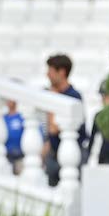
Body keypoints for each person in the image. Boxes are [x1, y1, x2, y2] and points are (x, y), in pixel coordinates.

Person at [40, 54, 88, 187]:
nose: (47, 75)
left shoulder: (74, 96)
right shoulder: (54, 94)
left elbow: (54, 128)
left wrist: (52, 101)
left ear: (61, 72)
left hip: (72, 154)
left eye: (50, 71)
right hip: (54, 154)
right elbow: (50, 129)